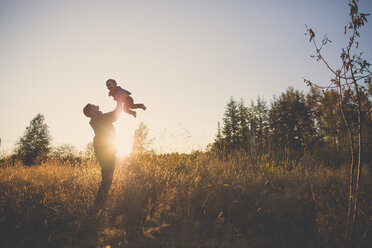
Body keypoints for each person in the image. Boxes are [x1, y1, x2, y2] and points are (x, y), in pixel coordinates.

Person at [83, 99, 123, 207]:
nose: (95, 105)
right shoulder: (99, 118)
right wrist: (120, 100)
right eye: (92, 106)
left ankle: (99, 203)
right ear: (92, 112)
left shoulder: (98, 118)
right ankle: (98, 204)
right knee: (107, 178)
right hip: (105, 150)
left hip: (104, 149)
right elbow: (115, 115)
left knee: (107, 177)